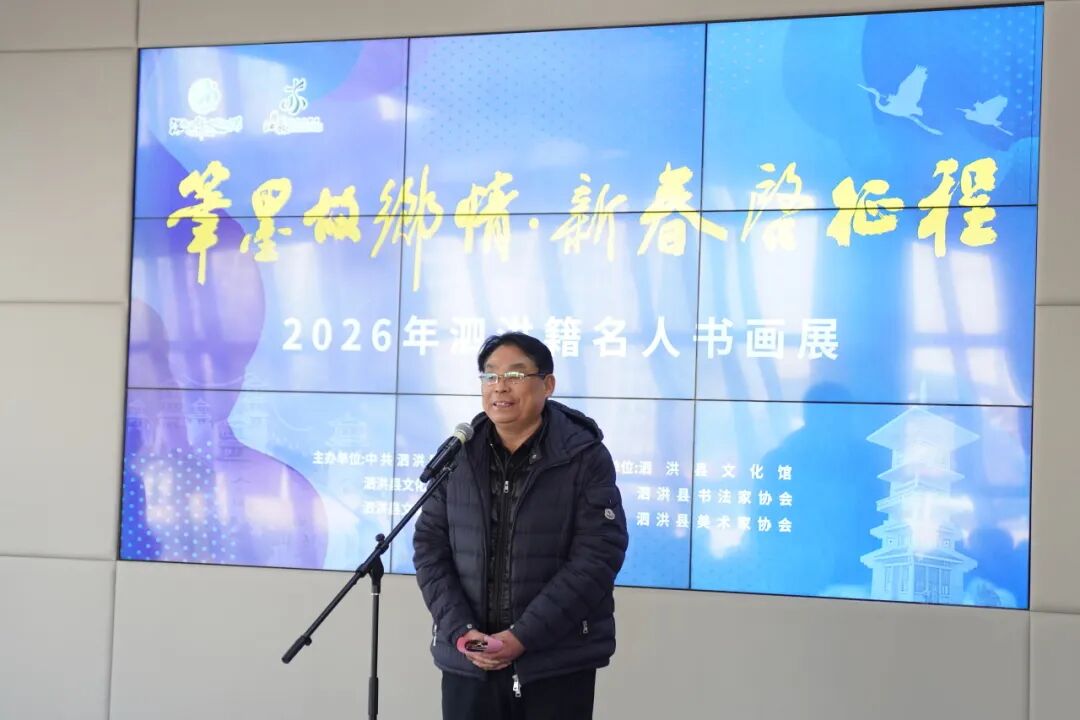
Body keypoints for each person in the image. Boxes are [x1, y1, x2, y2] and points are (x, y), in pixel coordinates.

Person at [413, 332, 629, 720]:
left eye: (514, 374)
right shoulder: (458, 456)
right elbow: (430, 548)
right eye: (490, 375)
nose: (500, 386)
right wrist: (462, 632)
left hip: (555, 662)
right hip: (469, 661)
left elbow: (598, 557)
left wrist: (522, 637)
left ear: (547, 384)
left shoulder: (584, 456)